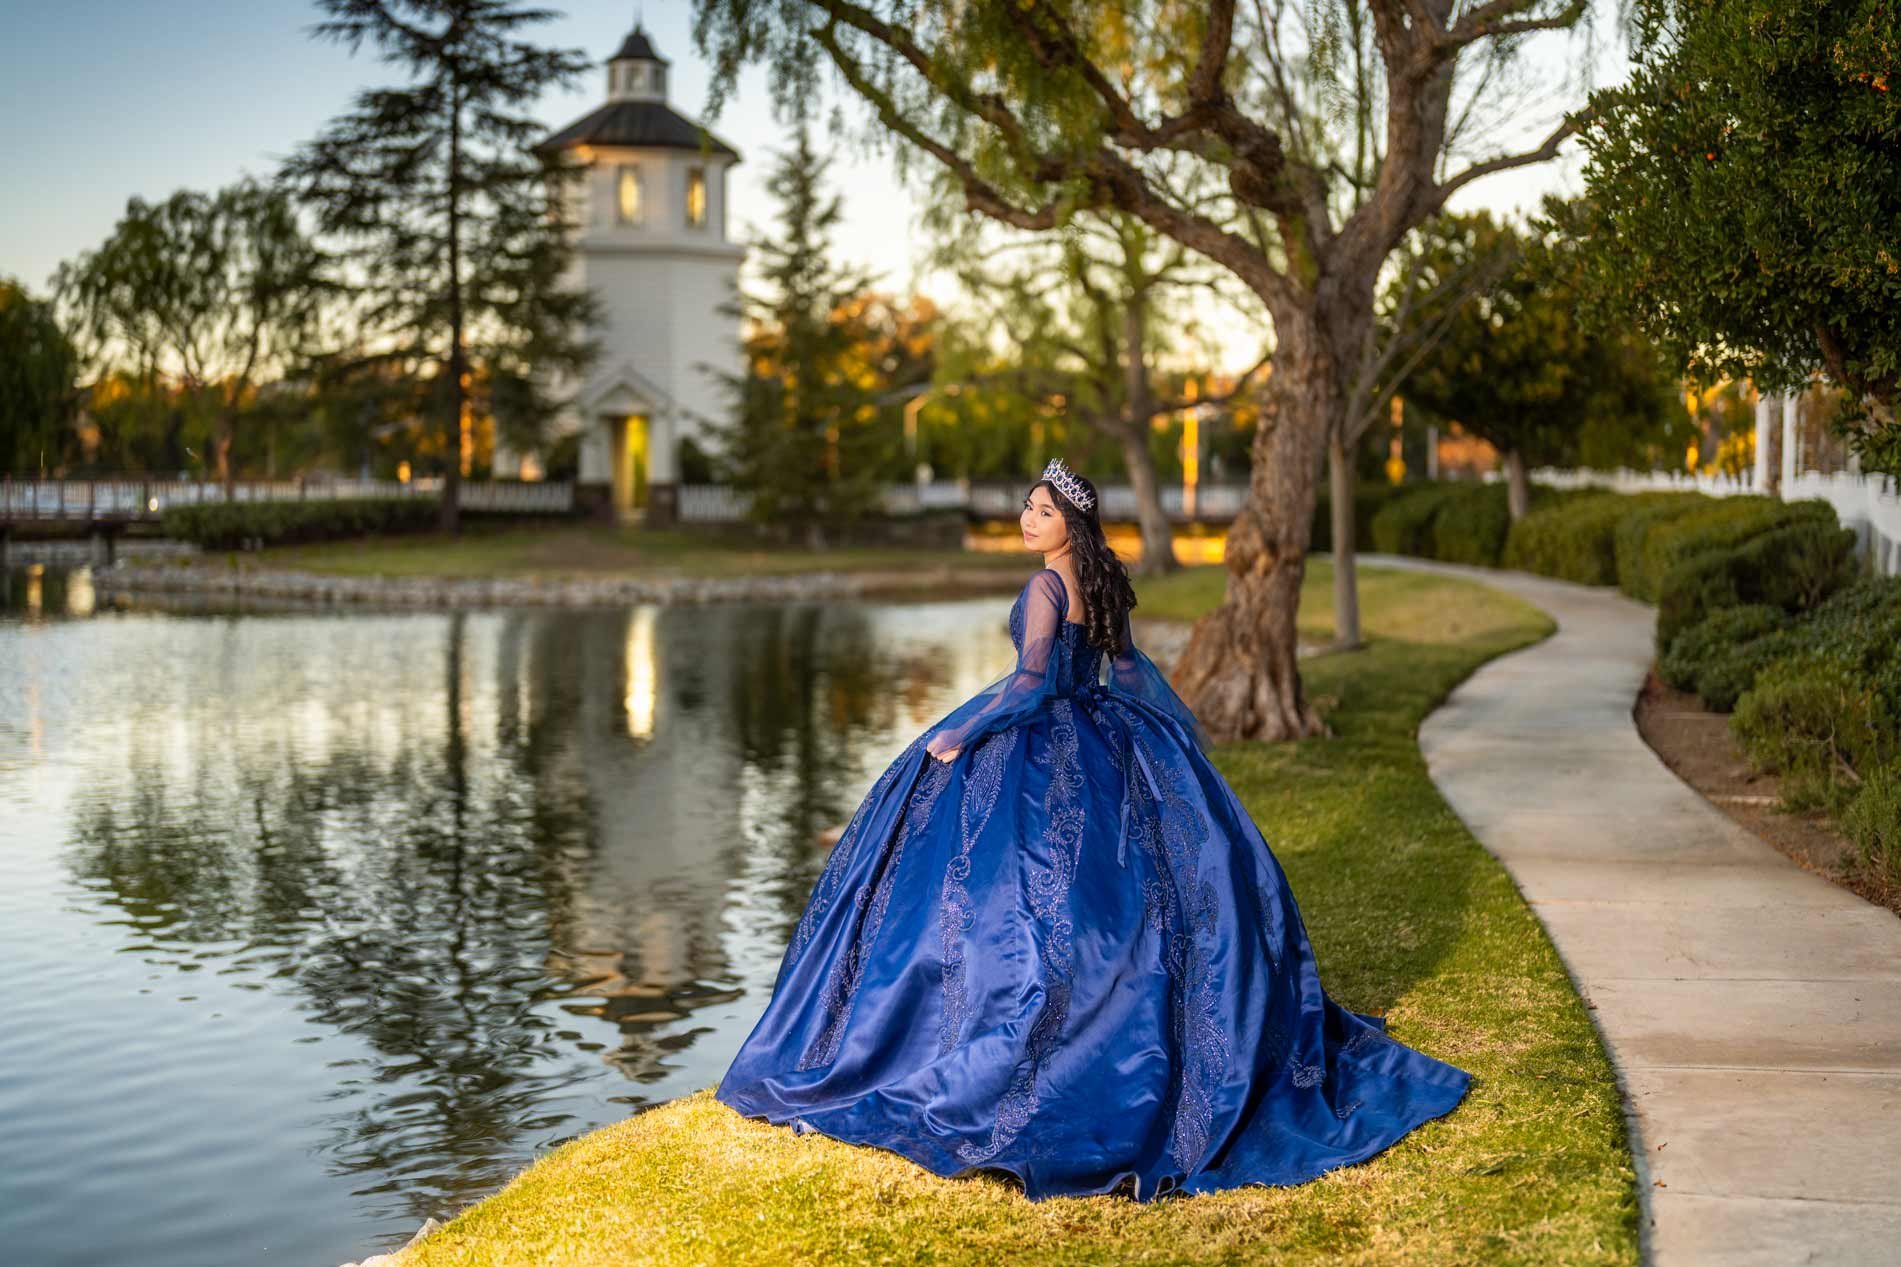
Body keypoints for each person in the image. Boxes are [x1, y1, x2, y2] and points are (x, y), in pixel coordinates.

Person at [714, 459, 1473, 1201]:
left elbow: (1028, 684)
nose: (1026, 518)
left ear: (1068, 522)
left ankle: (991, 1032)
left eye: (1041, 510)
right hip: (1108, 734)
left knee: (1003, 883)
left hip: (1043, 741)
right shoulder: (1102, 586)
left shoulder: (1046, 583)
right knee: (1119, 886)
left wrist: (958, 733)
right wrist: (1179, 732)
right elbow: (1130, 668)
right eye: (1026, 506)